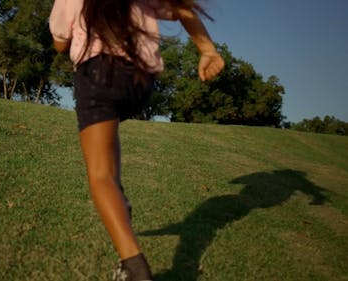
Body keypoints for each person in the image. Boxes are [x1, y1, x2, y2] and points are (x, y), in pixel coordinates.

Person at [49, 0, 224, 280]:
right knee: (109, 142)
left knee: (100, 175)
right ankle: (120, 200)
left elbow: (59, 41)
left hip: (98, 74)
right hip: (141, 82)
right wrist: (207, 50)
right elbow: (183, 10)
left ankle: (133, 268)